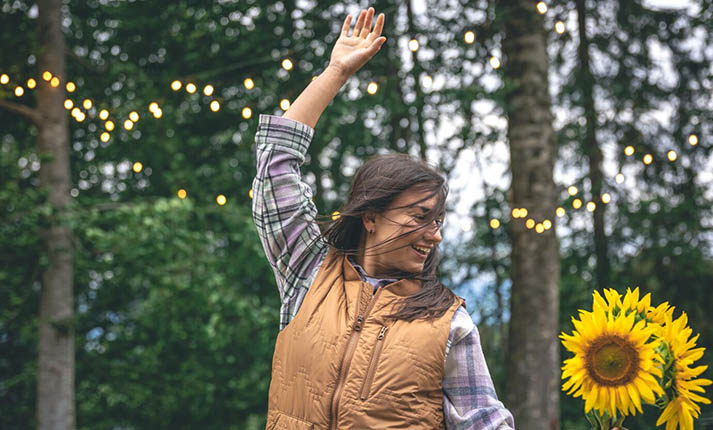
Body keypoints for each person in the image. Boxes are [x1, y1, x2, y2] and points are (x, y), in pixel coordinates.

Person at [252, 7, 515, 430]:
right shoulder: (308, 273)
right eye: (420, 217)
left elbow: (486, 424)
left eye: (439, 222)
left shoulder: (450, 322)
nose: (434, 236)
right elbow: (275, 164)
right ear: (371, 217)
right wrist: (335, 72)